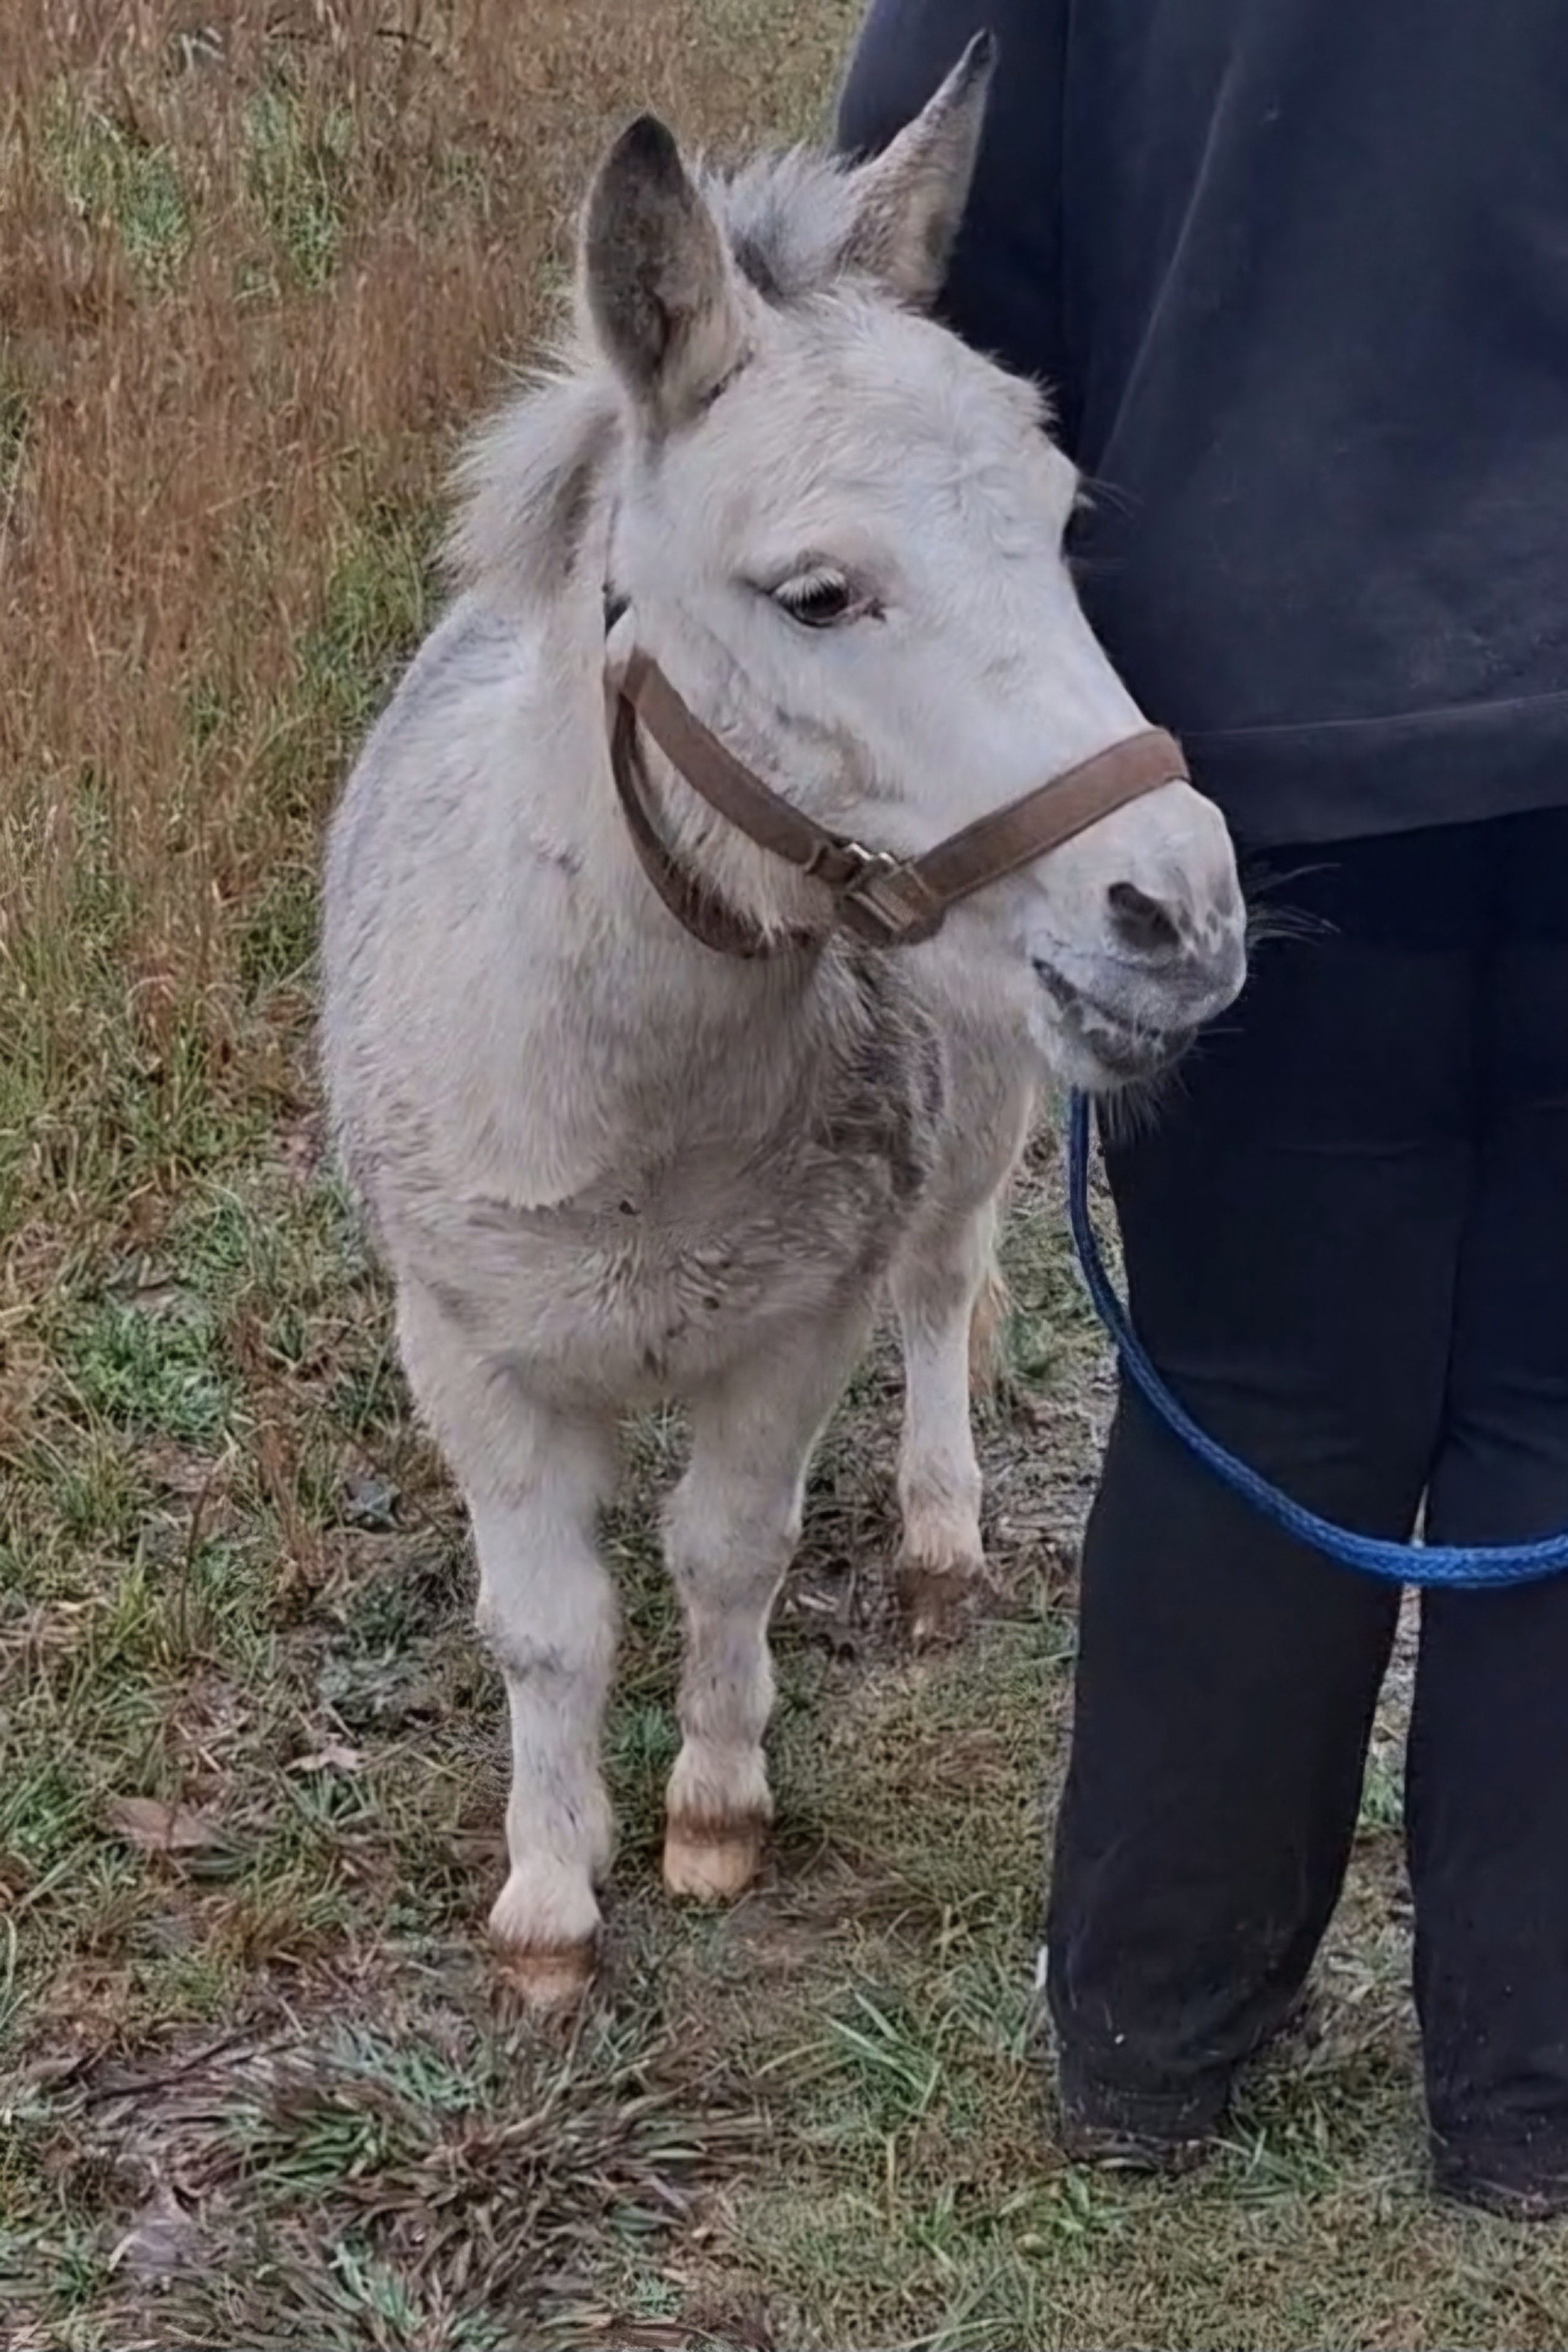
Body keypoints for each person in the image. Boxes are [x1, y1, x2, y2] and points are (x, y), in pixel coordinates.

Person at [837, 0, 1568, 2218]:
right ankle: (1534, 2107)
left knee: (1254, 1381)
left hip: (1233, 720)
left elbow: (924, 238)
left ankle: (1155, 2046)